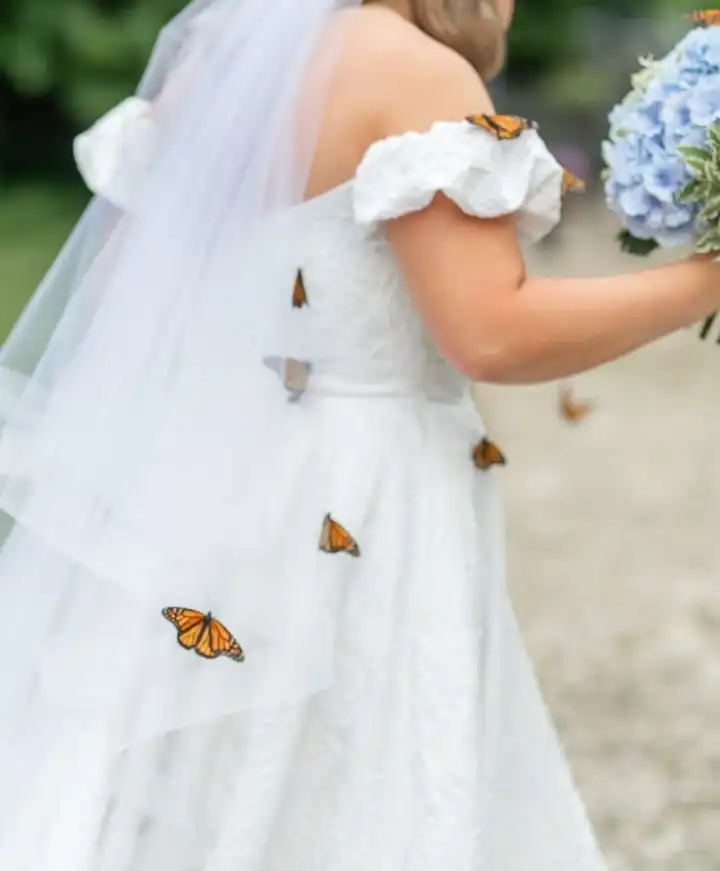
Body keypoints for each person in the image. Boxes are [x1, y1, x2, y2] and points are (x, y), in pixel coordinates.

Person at [0, 1, 718, 869]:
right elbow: (492, 332)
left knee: (189, 788)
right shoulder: (417, 73)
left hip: (205, 481)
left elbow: (118, 301)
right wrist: (701, 283)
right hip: (363, 497)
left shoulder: (218, 63)